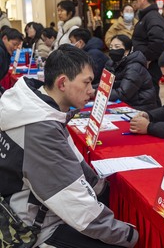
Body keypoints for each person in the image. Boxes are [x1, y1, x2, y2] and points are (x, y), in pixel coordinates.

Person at [0, 44, 139, 247]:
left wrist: (101, 189)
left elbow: (73, 160)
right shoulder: (40, 130)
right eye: (87, 83)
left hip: (25, 206)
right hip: (30, 228)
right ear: (63, 83)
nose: (91, 91)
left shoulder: (35, 107)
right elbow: (78, 208)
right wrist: (129, 235)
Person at [132, 0, 164, 107]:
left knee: (150, 94)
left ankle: (154, 118)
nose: (136, 0)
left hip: (151, 65)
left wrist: (147, 58)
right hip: (145, 63)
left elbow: (158, 42)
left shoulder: (152, 17)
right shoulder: (146, 16)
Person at [105, 35, 157, 111]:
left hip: (140, 106)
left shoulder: (134, 67)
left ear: (127, 50)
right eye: (111, 47)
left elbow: (123, 93)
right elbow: (105, 84)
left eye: (117, 47)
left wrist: (98, 93)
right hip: (125, 104)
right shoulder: (112, 64)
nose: (113, 50)